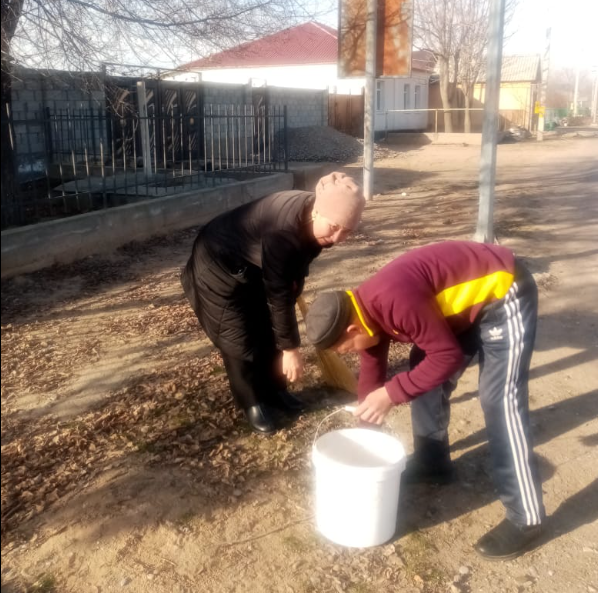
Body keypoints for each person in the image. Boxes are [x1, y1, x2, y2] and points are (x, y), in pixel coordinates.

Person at [304, 240, 545, 560]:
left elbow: (446, 357)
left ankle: (526, 518)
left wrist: (392, 393)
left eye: (344, 349)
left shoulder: (394, 300)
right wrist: (365, 435)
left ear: (351, 329)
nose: (347, 354)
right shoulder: (363, 313)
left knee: (498, 399)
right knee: (423, 372)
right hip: (460, 311)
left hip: (503, 292)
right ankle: (433, 464)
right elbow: (372, 369)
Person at [181, 172, 365, 435]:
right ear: (317, 212)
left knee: (268, 327)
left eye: (346, 231)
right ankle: (252, 402)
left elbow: (294, 266)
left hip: (253, 266)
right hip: (216, 266)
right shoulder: (283, 230)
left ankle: (276, 391)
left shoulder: (315, 220)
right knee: (238, 338)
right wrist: (291, 349)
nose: (337, 238)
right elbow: (279, 295)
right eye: (334, 227)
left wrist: (294, 286)